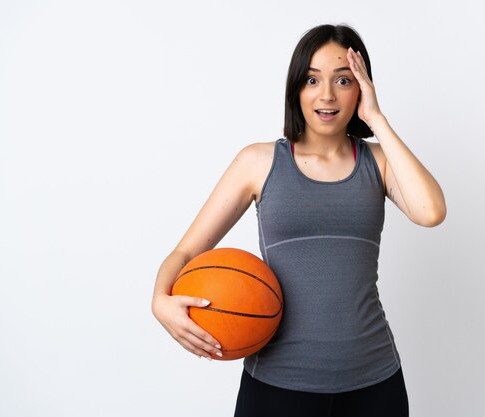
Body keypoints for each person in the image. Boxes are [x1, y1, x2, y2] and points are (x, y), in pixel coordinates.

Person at [152, 24, 446, 417]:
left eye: (343, 80)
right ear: (296, 88)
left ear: (361, 88)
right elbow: (188, 250)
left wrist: (377, 120)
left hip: (374, 384)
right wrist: (160, 300)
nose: (326, 95)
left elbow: (431, 212)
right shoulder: (257, 162)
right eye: (312, 79)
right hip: (276, 387)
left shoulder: (378, 162)